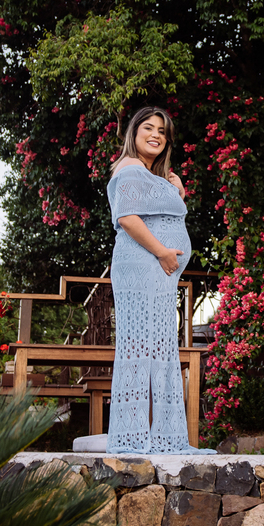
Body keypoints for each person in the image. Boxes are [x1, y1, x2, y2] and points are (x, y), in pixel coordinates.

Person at [105, 106, 215, 454]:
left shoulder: (149, 174)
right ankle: (132, 437)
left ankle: (165, 438)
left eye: (162, 131)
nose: (155, 135)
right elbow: (127, 218)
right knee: (141, 349)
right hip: (144, 265)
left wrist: (176, 190)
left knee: (160, 349)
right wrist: (164, 253)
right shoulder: (131, 167)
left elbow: (159, 211)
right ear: (134, 133)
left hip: (156, 272)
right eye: (148, 128)